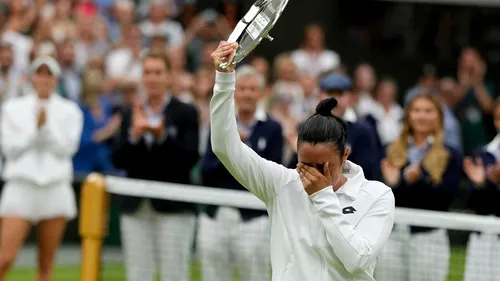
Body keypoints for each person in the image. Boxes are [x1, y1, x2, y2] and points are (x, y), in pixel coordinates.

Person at [210, 41, 394, 281]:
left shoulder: (378, 195)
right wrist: (224, 79)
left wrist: (323, 196)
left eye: (325, 166)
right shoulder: (282, 184)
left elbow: (357, 260)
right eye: (306, 164)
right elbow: (225, 147)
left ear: (345, 154)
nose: (315, 174)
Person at [112, 52, 199, 281]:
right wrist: (135, 135)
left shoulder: (186, 112)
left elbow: (190, 158)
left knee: (174, 273)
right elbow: (118, 159)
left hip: (174, 207)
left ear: (169, 76)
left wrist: (162, 137)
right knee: (137, 274)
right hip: (136, 207)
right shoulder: (129, 112)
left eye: (158, 72)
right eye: (148, 72)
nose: (152, 78)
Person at [0, 56, 83, 281]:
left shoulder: (70, 110)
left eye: (49, 74)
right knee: (4, 258)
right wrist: (36, 131)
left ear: (56, 79)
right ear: (31, 77)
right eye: (40, 73)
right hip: (21, 185)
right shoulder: (12, 108)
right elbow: (10, 148)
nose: (44, 79)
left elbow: (67, 149)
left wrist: (44, 129)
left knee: (46, 264)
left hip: (55, 187)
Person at [200, 65, 283, 281]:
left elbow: (271, 176)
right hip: (216, 213)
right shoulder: (219, 124)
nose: (246, 94)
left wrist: (244, 147)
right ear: (235, 91)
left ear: (261, 93)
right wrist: (228, 146)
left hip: (253, 218)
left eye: (252, 89)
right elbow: (206, 172)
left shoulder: (273, 129)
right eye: (242, 88)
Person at [376, 93, 462, 281]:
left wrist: (420, 179)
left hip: (429, 236)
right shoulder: (391, 149)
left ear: (438, 116)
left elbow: (447, 196)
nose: (421, 116)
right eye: (416, 110)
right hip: (392, 235)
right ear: (408, 115)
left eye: (428, 111)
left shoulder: (450, 154)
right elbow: (379, 196)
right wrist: (393, 183)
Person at [462, 98, 500, 281]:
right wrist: (481, 184)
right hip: (484, 240)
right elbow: (473, 204)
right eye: (499, 118)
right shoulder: (483, 154)